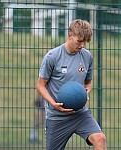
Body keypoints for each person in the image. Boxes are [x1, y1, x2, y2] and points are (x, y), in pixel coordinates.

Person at [36, 19, 107, 150]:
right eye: (79, 41)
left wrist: (85, 93)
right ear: (70, 35)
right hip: (57, 117)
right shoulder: (52, 56)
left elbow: (88, 82)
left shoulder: (87, 56)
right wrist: (53, 103)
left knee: (100, 139)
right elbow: (40, 85)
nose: (82, 45)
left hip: (80, 114)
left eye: (85, 42)